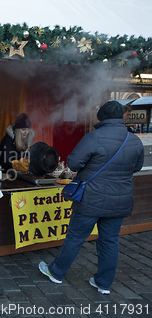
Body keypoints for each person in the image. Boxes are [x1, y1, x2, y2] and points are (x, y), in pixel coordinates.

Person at [39, 101, 144, 294]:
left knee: (76, 237)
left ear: (101, 117)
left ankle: (56, 272)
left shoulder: (94, 137)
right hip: (120, 200)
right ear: (121, 117)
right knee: (110, 240)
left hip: (91, 199)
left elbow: (73, 163)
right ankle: (104, 284)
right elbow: (136, 167)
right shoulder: (134, 140)